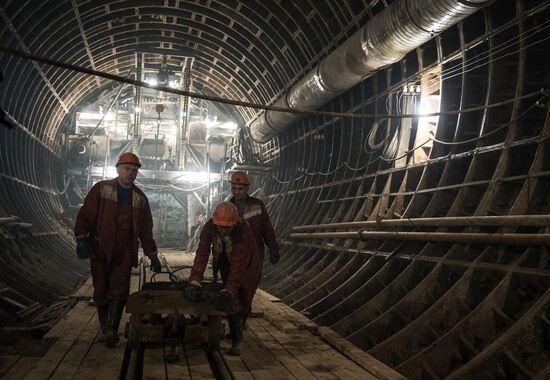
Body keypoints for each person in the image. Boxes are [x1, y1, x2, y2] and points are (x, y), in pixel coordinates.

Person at [74, 152, 162, 347]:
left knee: (120, 290)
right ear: (118, 169)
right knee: (101, 289)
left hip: (124, 252)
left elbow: (146, 230)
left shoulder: (140, 198)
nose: (130, 173)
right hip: (101, 248)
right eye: (127, 169)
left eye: (134, 170)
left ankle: (112, 330)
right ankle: (104, 328)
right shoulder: (101, 189)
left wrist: (152, 254)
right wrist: (81, 238)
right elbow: (86, 215)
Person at [185, 202, 260, 356]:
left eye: (227, 227)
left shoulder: (243, 231)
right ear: (215, 221)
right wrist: (195, 280)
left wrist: (230, 290)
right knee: (232, 299)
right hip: (225, 257)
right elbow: (202, 254)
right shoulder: (210, 227)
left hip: (248, 264)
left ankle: (237, 338)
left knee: (243, 296)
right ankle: (236, 337)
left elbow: (239, 266)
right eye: (220, 226)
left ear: (234, 223)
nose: (223, 230)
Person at [229, 171, 280, 268]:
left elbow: (267, 229)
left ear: (247, 188)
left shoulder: (257, 205)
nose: (236, 192)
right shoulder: (227, 208)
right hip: (234, 254)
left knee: (252, 280)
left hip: (254, 253)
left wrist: (273, 248)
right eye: (234, 188)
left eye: (240, 189)